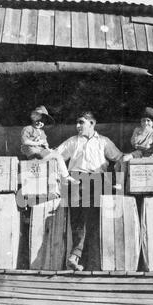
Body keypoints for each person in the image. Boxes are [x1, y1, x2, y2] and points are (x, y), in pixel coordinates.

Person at [56, 111, 124, 270]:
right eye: (77, 122)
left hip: (98, 181)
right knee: (77, 219)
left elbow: (119, 157)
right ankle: (78, 258)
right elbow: (56, 155)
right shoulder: (73, 141)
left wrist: (120, 180)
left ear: (92, 123)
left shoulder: (103, 142)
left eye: (81, 122)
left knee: (92, 220)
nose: (77, 126)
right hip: (76, 180)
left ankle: (80, 258)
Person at [21, 105, 79, 184]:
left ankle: (59, 178)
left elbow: (46, 145)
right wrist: (37, 143)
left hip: (40, 154)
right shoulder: (28, 128)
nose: (40, 122)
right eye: (38, 119)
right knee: (58, 157)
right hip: (33, 152)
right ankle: (66, 176)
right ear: (33, 118)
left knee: (56, 158)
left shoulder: (42, 132)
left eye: (42, 121)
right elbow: (25, 141)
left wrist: (48, 148)